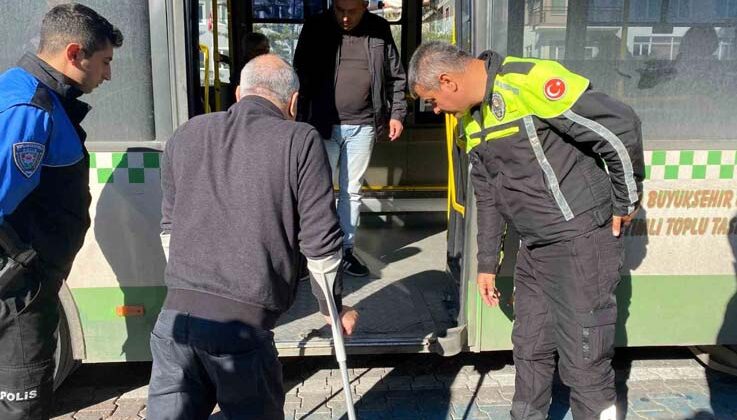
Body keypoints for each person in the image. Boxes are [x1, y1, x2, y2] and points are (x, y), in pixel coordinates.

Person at [408, 42, 644, 420]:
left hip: (580, 241)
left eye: (431, 100)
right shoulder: (472, 121)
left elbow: (619, 124)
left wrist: (625, 199)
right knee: (530, 347)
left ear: (447, 81)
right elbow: (487, 195)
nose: (434, 110)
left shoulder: (527, 81)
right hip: (535, 249)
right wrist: (487, 263)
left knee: (584, 359)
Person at [147, 54, 359, 419]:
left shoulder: (186, 133)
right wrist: (331, 308)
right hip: (241, 330)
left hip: (173, 322)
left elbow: (170, 230)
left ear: (238, 93)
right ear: (293, 102)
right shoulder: (300, 139)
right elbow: (321, 244)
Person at [0, 4, 123, 419]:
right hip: (19, 292)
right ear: (74, 54)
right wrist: (26, 266)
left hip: (25, 283)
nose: (108, 75)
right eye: (104, 62)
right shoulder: (31, 111)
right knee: (24, 407)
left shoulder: (27, 92)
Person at [293, 0, 407, 277]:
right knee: (315, 192)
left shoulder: (379, 29)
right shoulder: (315, 27)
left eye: (352, 12)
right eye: (339, 11)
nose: (345, 18)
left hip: (364, 125)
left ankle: (345, 250)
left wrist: (397, 114)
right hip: (320, 125)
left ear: (365, 6)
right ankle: (313, 252)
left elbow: (396, 77)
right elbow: (299, 74)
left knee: (351, 192)